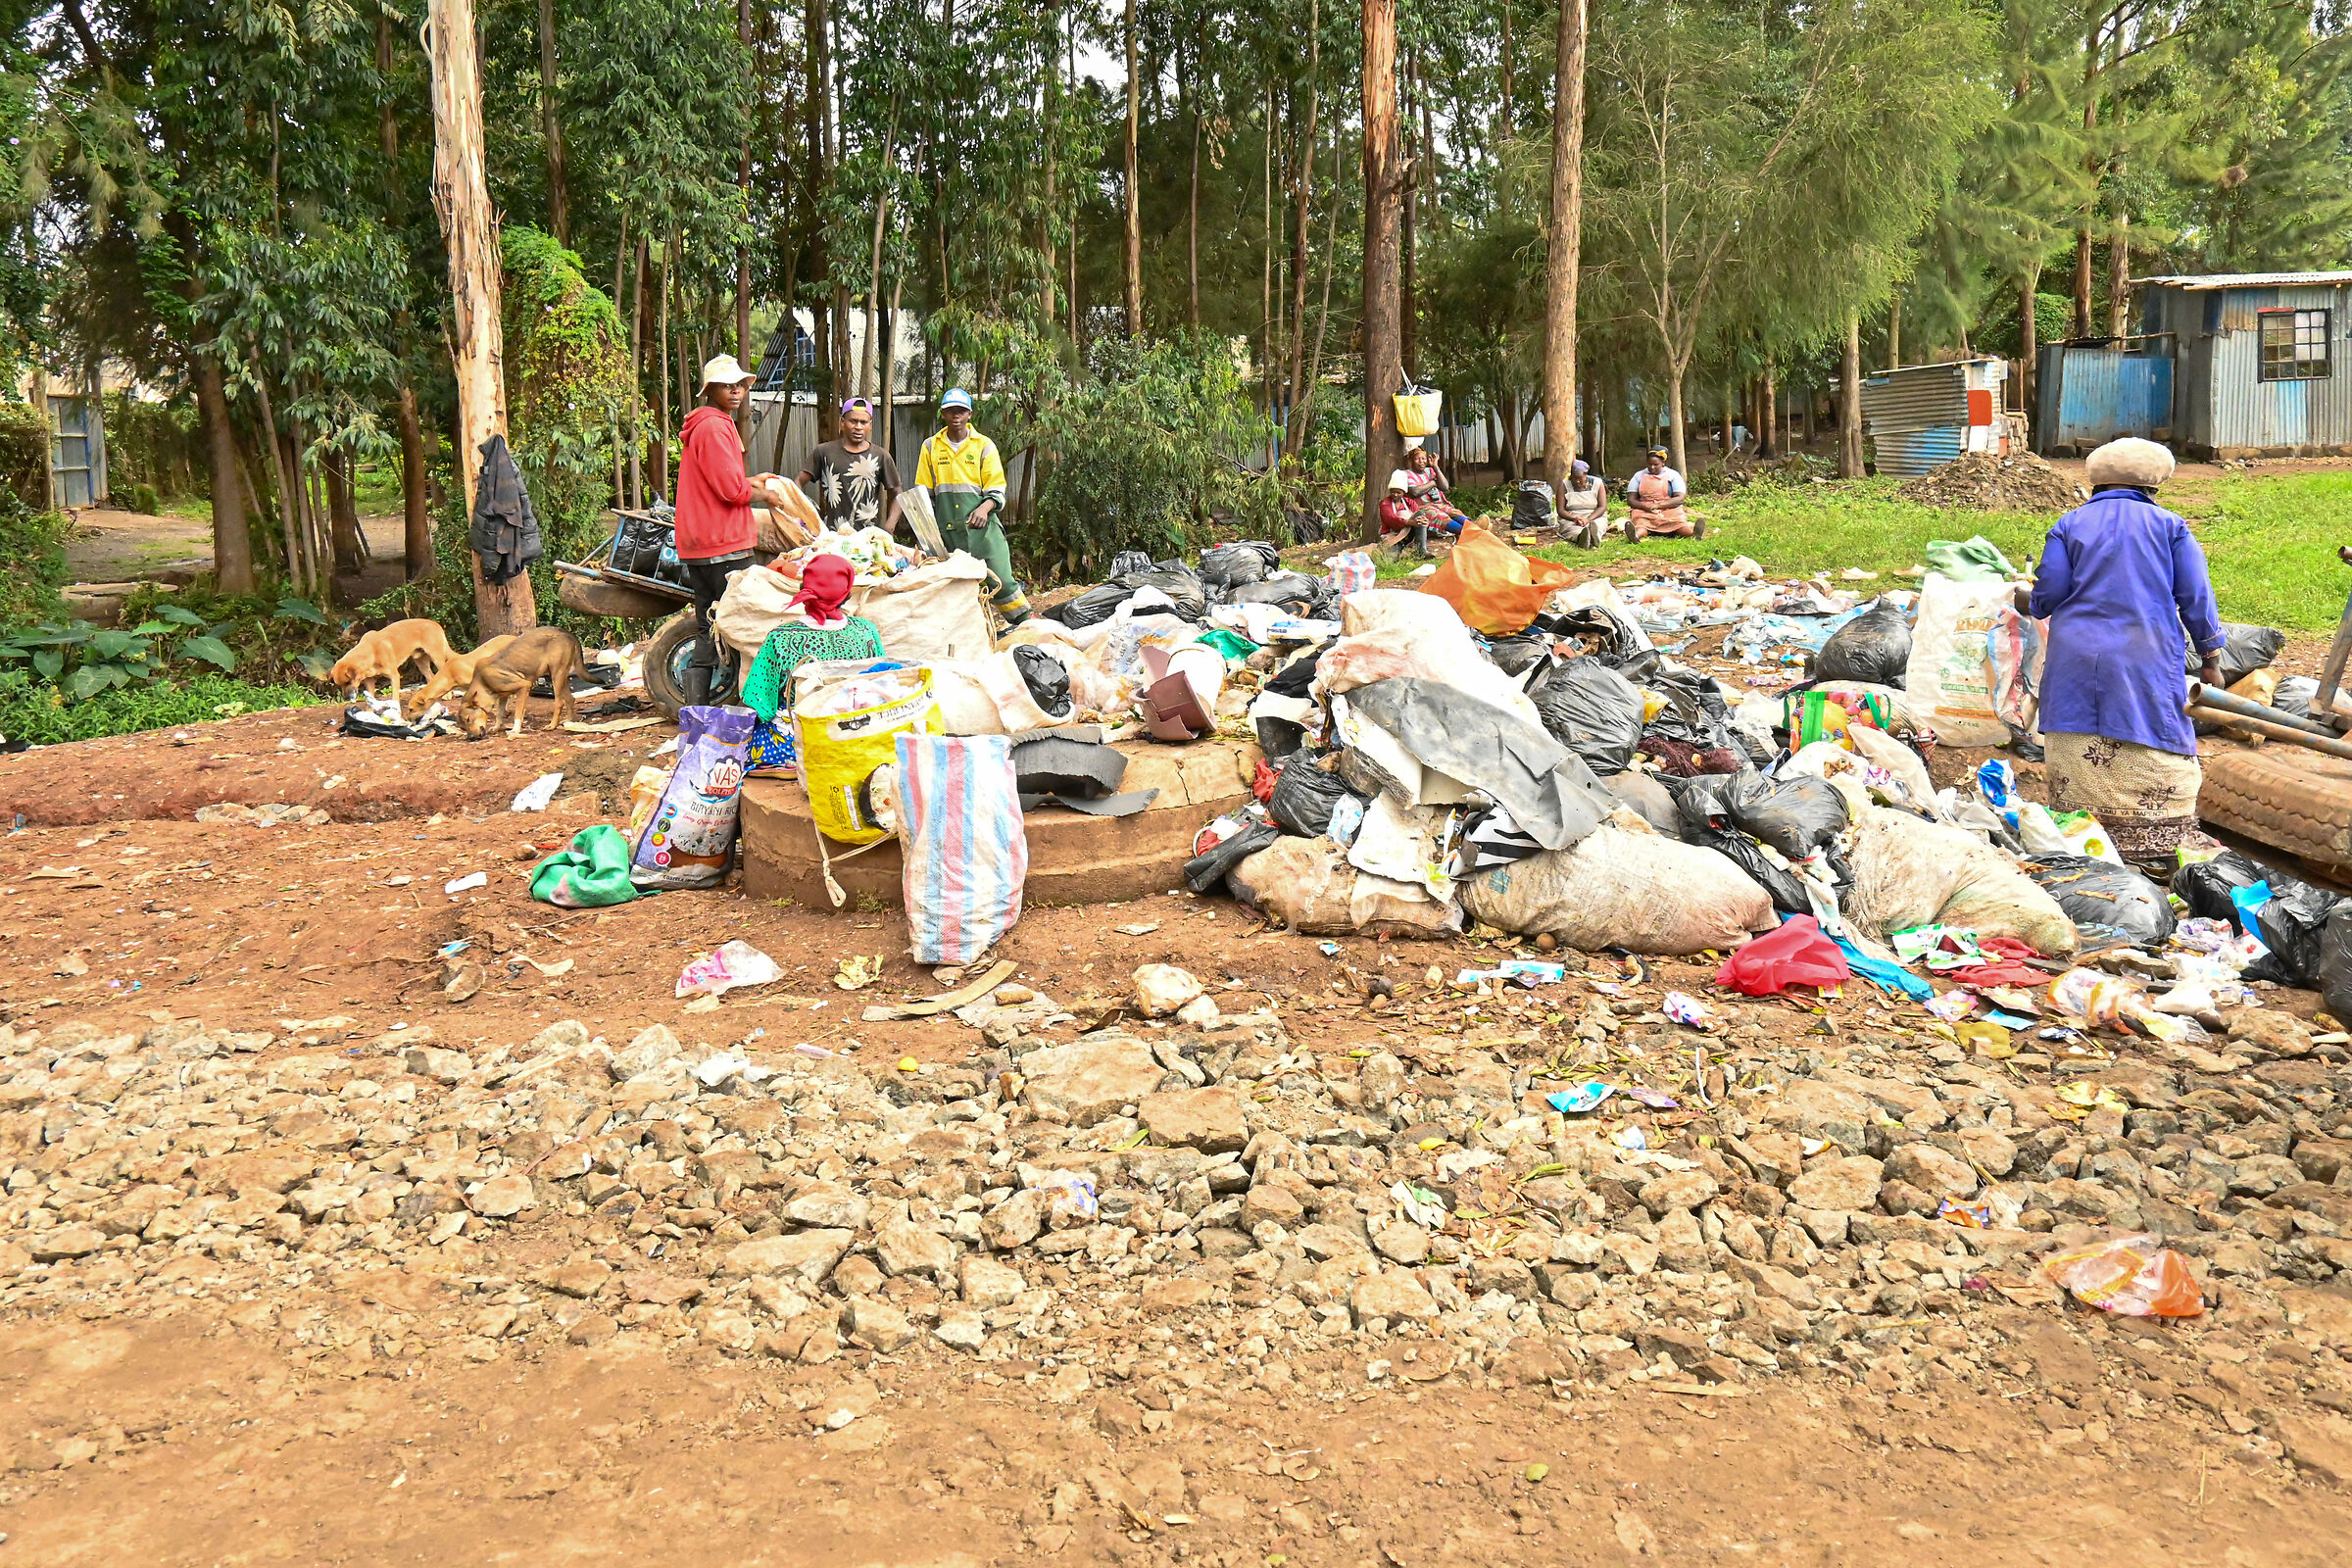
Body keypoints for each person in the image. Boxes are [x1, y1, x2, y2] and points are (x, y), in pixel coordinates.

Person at [2026, 436, 2224, 876]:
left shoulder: (2069, 524)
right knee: (2152, 720)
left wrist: (2032, 601)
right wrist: (2210, 653)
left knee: (2077, 726)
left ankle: (2082, 838)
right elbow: (2195, 596)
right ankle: (2158, 846)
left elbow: (2049, 593)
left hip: (2076, 653)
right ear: (2156, 484)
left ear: (2094, 481)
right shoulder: (2170, 526)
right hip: (2144, 652)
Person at [675, 354, 787, 705]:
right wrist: (766, 494)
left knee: (709, 627)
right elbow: (730, 491)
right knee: (742, 624)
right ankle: (748, 707)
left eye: (739, 384)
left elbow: (722, 481)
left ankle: (696, 711)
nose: (736, 391)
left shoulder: (705, 425)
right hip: (722, 543)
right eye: (727, 385)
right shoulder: (714, 427)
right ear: (711, 390)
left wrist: (751, 480)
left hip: (701, 543)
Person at [739, 553, 886, 777]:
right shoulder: (866, 631)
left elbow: (759, 704)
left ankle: (791, 764)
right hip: (853, 739)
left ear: (803, 589)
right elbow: (883, 683)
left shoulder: (780, 637)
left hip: (792, 744)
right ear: (846, 594)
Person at [915, 387, 1026, 622]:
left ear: (970, 414)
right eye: (950, 411)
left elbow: (996, 486)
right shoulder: (931, 447)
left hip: (982, 530)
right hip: (948, 531)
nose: (956, 416)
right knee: (958, 585)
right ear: (943, 414)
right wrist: (927, 532)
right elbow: (924, 491)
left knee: (1000, 580)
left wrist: (984, 508)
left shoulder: (983, 446)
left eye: (961, 411)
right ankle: (972, 631)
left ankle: (1024, 622)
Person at [798, 396, 904, 536]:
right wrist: (803, 515)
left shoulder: (880, 456)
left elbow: (898, 493)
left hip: (868, 539)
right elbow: (797, 483)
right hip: (832, 537)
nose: (858, 427)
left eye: (863, 422)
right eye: (853, 421)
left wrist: (890, 526)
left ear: (870, 425)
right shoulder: (824, 452)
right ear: (842, 422)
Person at [1625, 448, 1699, 540]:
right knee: (1641, 522)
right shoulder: (1639, 476)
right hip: (1645, 510)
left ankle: (1692, 534)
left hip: (1668, 508)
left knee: (1678, 522)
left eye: (1656, 465)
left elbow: (1679, 498)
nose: (1652, 467)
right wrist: (1645, 506)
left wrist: (1658, 505)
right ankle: (1636, 535)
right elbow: (1631, 499)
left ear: (1663, 463)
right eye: (1649, 464)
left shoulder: (1673, 475)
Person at [1402, 446, 1468, 535]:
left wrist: (1435, 466)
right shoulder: (1407, 474)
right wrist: (1433, 483)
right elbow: (1415, 492)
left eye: (1423, 458)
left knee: (1454, 512)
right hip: (1421, 507)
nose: (1421, 462)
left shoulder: (1430, 470)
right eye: (1417, 459)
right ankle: (1468, 532)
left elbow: (1445, 487)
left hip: (1438, 504)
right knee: (1440, 516)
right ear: (1411, 461)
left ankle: (1474, 527)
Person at [1560, 459, 1608, 548]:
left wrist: (1588, 519)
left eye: (1580, 479)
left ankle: (1595, 537)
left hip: (1594, 516)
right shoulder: (1564, 484)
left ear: (1585, 475)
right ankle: (1581, 538)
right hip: (1572, 517)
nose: (1577, 481)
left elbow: (1602, 507)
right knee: (1572, 529)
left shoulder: (1598, 483)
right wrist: (1574, 518)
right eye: (1574, 478)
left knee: (1597, 525)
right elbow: (1561, 510)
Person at [1377, 470, 1423, 551]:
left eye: (1398, 493)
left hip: (1409, 534)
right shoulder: (1385, 504)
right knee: (1392, 555)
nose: (1395, 495)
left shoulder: (1410, 502)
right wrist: (1408, 522)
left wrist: (1423, 520)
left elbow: (1417, 514)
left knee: (1420, 515)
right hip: (1392, 535)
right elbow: (1391, 520)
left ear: (1403, 493)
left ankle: (1422, 549)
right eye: (1393, 492)